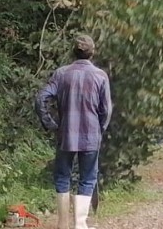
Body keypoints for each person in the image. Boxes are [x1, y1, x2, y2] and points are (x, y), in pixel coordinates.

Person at [35, 35, 112, 229]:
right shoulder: (100, 75)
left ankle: (62, 224)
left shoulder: (61, 74)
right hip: (91, 135)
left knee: (62, 177)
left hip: (65, 135)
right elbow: (106, 110)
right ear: (92, 52)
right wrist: (99, 129)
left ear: (72, 51)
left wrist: (50, 124)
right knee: (87, 178)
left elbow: (41, 98)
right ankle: (80, 225)